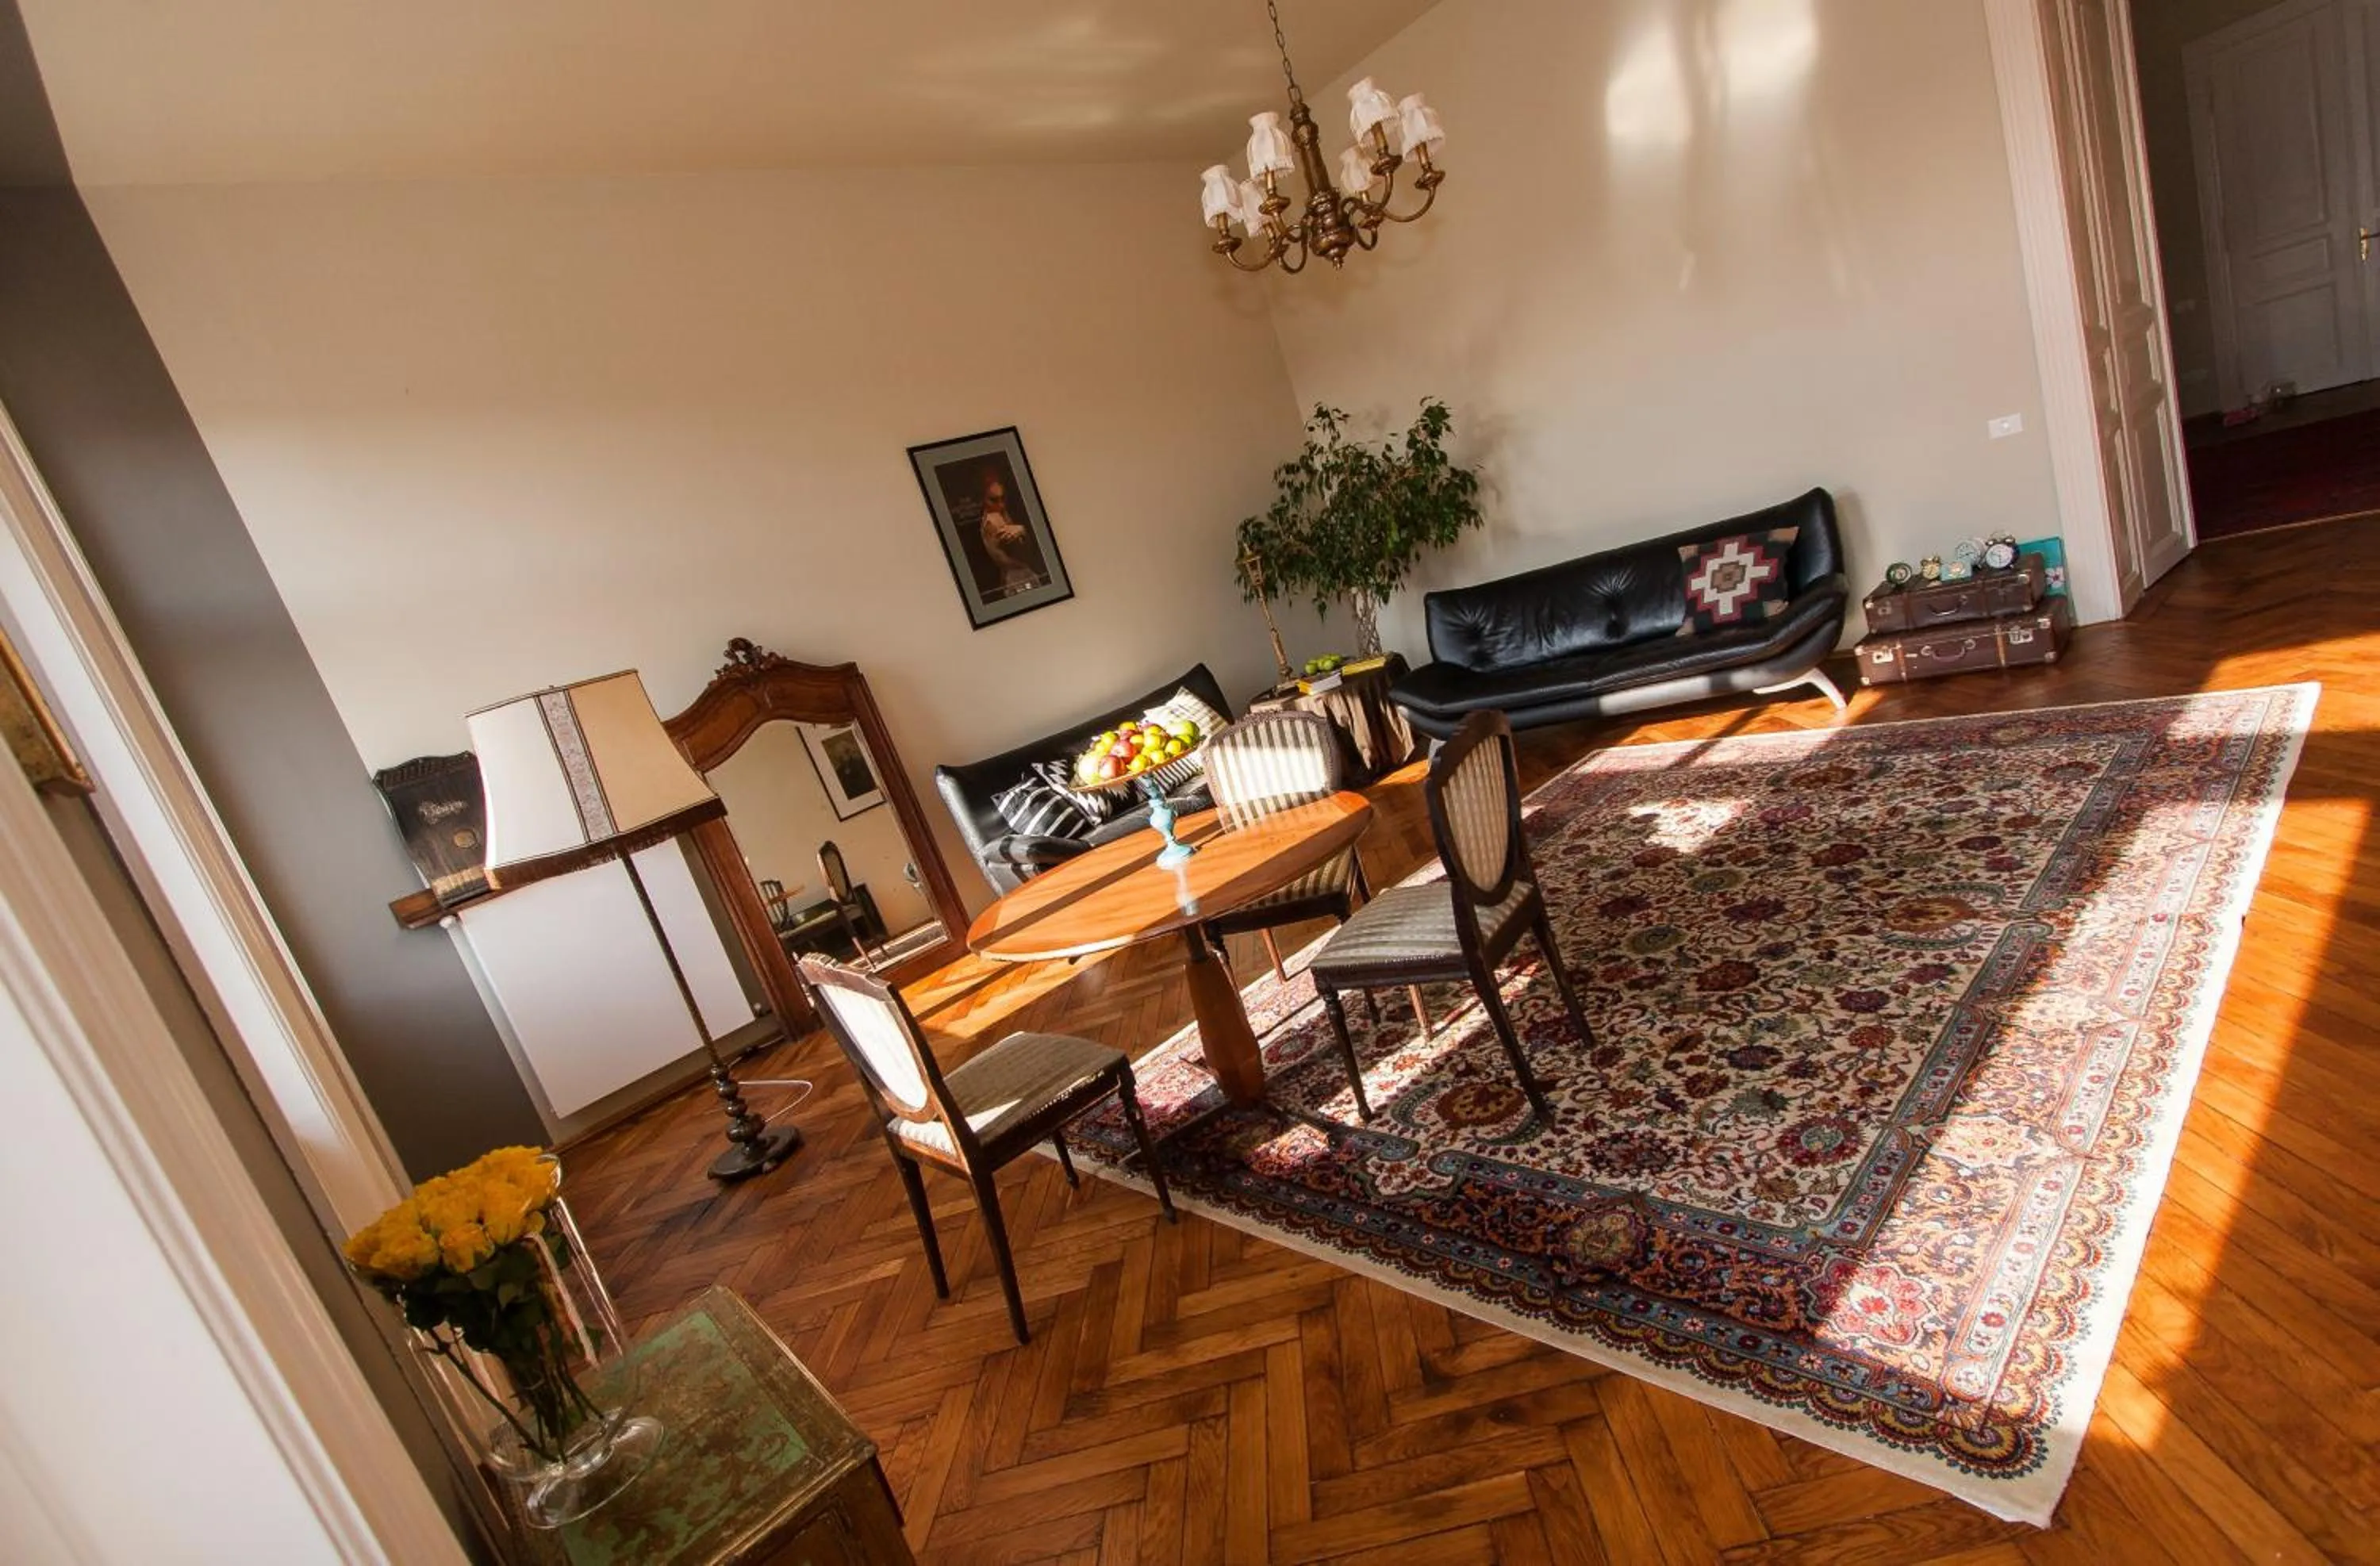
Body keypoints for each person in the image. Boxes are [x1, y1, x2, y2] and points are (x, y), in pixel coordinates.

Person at [977, 474, 1047, 597]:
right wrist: (1023, 531)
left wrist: (1023, 530)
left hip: (1019, 576)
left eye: (1003, 498)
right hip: (1017, 579)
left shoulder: (1003, 513)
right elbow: (1024, 555)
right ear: (983, 499)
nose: (1001, 505)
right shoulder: (993, 520)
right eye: (993, 500)